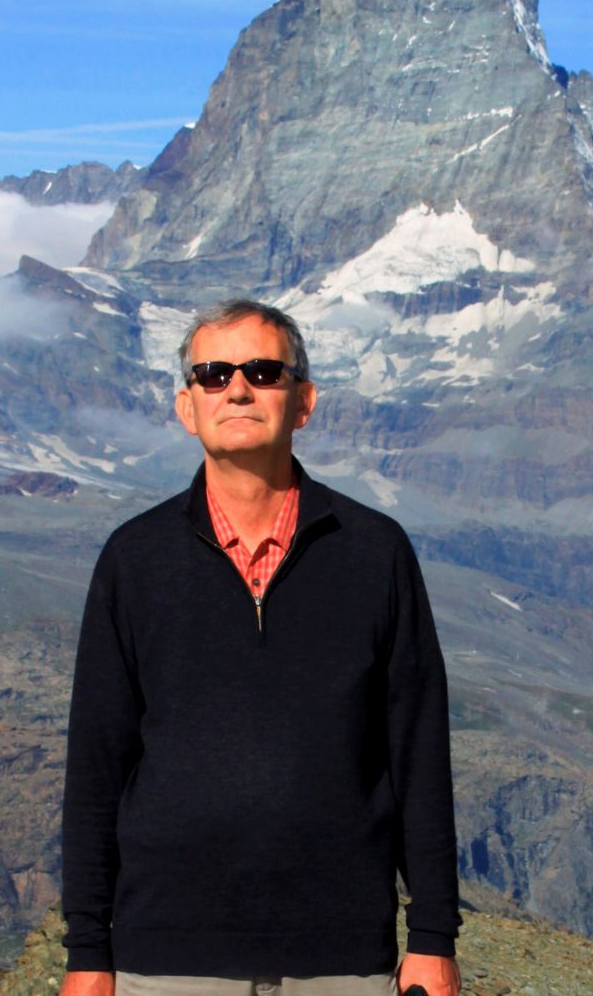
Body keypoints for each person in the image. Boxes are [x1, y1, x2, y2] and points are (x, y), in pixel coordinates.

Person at [60, 299, 461, 996]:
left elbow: (418, 753)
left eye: (262, 371)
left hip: (342, 954)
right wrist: (88, 951)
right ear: (187, 407)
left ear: (303, 401)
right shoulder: (134, 560)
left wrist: (432, 935)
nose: (237, 388)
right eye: (213, 374)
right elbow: (96, 767)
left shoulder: (375, 553)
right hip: (168, 955)